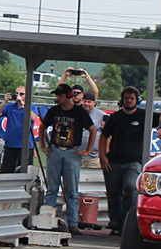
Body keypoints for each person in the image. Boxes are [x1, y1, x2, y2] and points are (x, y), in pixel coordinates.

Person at [39, 83, 96, 233]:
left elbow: (93, 130)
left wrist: (87, 150)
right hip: (55, 151)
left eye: (60, 95)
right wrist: (43, 145)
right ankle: (46, 220)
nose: (57, 98)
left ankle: (73, 224)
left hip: (72, 152)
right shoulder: (53, 111)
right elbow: (42, 126)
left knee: (71, 190)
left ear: (68, 96)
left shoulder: (79, 112)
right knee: (52, 188)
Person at [98, 86, 147, 236]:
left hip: (134, 162)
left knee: (131, 188)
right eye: (126, 98)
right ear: (122, 100)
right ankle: (115, 223)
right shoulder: (115, 117)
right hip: (114, 162)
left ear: (137, 100)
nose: (129, 101)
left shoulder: (145, 115)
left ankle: (126, 221)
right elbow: (103, 136)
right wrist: (102, 156)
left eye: (132, 98)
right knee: (113, 194)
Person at [0, 87, 42, 173]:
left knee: (25, 170)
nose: (18, 95)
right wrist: (5, 101)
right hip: (11, 144)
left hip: (25, 145)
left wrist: (23, 104)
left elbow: (33, 117)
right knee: (6, 170)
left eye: (21, 94)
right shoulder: (10, 107)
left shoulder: (31, 106)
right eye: (17, 93)